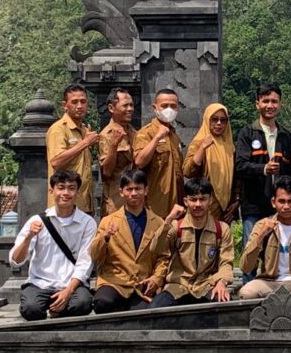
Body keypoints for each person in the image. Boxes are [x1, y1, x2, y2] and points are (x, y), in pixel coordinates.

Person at [10, 170, 97, 320]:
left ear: (77, 192)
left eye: (71, 188)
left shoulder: (87, 223)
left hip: (71, 284)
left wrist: (68, 291)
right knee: (31, 309)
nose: (66, 193)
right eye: (61, 187)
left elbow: (85, 262)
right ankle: (54, 308)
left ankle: (58, 309)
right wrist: (28, 237)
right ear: (52, 191)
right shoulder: (36, 221)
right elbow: (16, 260)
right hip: (40, 284)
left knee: (83, 304)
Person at [234, 84, 291, 284]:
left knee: (278, 252)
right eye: (265, 101)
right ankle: (248, 297)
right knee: (252, 250)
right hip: (253, 203)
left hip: (280, 207)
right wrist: (262, 169)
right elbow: (240, 165)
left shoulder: (286, 136)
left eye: (274, 101)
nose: (270, 105)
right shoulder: (247, 133)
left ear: (280, 104)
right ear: (257, 103)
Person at [89, 169, 169, 313]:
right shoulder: (108, 221)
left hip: (141, 284)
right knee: (102, 302)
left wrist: (156, 279)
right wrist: (105, 237)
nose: (133, 193)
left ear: (146, 190)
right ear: (121, 192)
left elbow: (163, 257)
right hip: (115, 282)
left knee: (146, 313)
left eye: (138, 188)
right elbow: (95, 255)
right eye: (129, 189)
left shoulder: (157, 223)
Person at [147, 178, 234, 308]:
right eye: (193, 199)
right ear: (186, 201)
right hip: (177, 285)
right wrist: (168, 220)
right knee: (155, 309)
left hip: (206, 284)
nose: (198, 204)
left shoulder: (221, 229)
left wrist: (221, 282)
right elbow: (155, 249)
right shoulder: (176, 227)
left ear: (210, 200)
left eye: (203, 199)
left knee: (225, 307)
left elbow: (226, 262)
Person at [46, 84, 99, 214]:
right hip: (64, 205)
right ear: (65, 105)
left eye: (83, 102)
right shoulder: (58, 129)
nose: (80, 106)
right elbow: (56, 162)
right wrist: (85, 143)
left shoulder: (85, 129)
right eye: (74, 102)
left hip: (84, 203)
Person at [133, 88, 184, 219]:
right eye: (164, 105)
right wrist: (156, 138)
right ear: (155, 107)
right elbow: (139, 161)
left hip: (175, 205)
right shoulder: (146, 133)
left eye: (173, 106)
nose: (169, 109)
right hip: (154, 205)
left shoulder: (174, 136)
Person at [183, 103, 238, 222]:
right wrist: (203, 148)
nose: (219, 123)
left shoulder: (230, 147)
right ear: (207, 120)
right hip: (203, 204)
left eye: (223, 120)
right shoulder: (199, 142)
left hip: (225, 208)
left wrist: (236, 202)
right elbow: (187, 171)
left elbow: (235, 178)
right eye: (214, 119)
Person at [98, 88, 138, 215]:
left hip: (136, 198)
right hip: (115, 201)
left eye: (131, 105)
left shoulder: (135, 133)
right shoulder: (106, 135)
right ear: (111, 108)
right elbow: (107, 172)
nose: (130, 109)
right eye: (125, 105)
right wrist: (114, 144)